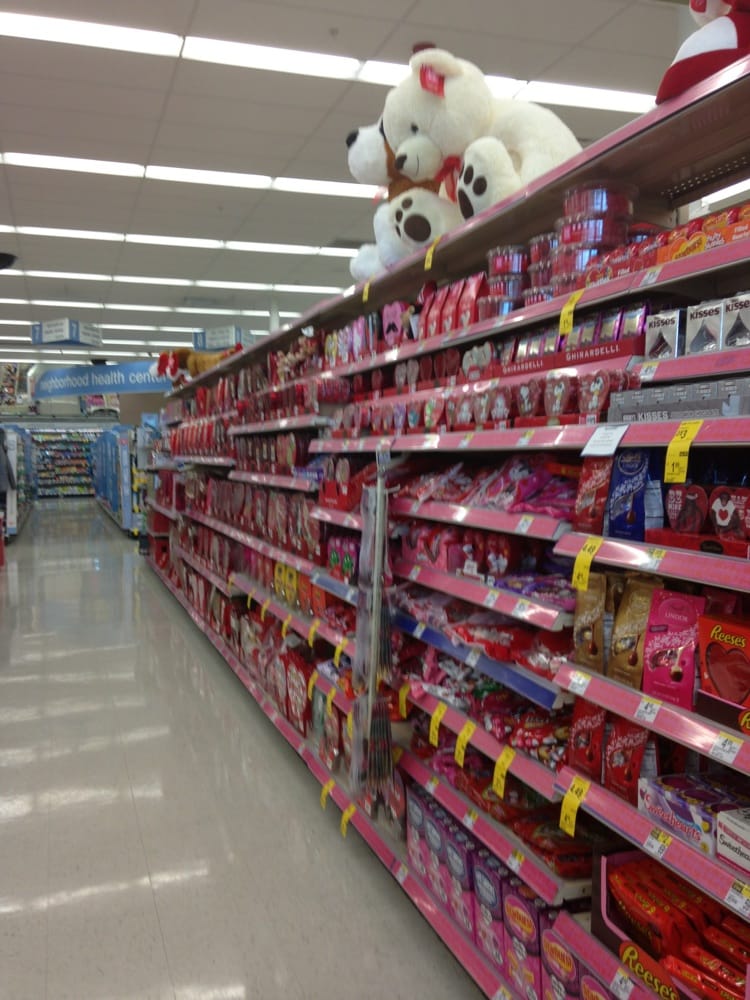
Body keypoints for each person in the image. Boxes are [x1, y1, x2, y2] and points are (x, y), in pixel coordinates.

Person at [0, 429, 16, 533]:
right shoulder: (2, 450)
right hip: (3, 485)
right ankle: (3, 529)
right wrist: (13, 484)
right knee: (2, 508)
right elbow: (9, 468)